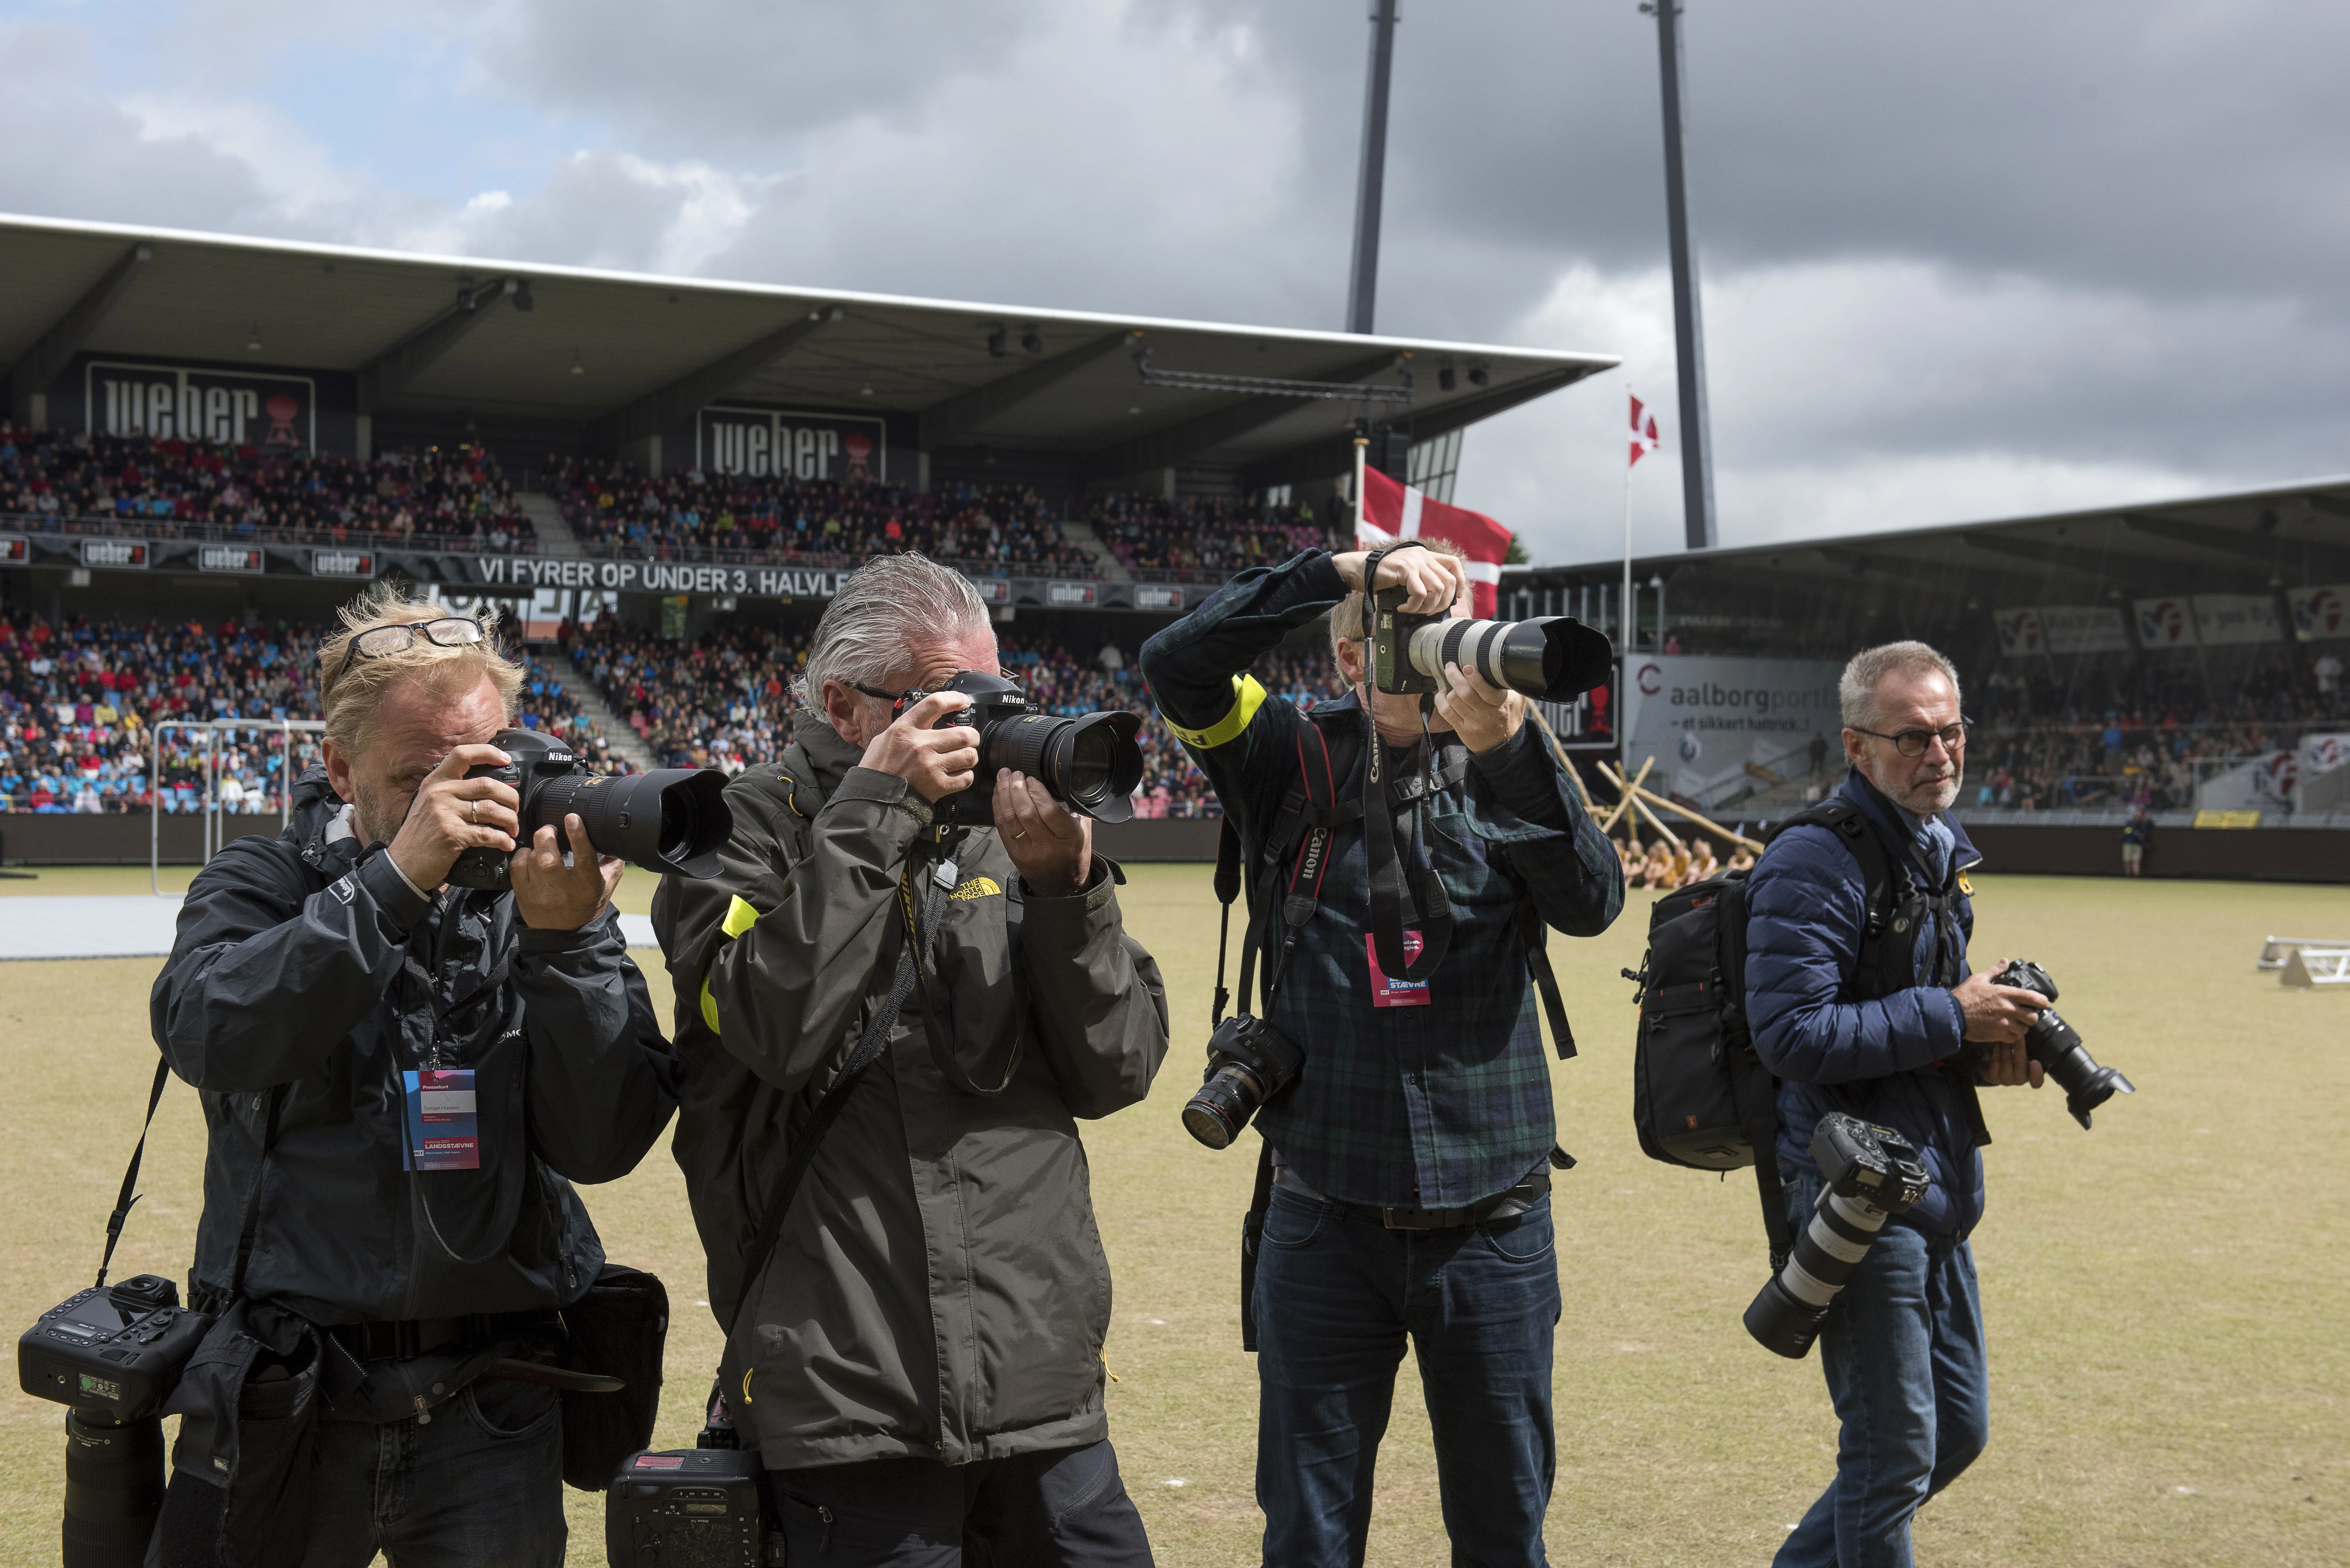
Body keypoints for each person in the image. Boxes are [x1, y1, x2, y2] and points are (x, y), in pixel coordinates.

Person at [655, 553, 1168, 1567]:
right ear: (845, 706)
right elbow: (772, 1021)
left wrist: (1067, 888)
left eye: (997, 696)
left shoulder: (1005, 837)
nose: (982, 730)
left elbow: (1118, 1066)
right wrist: (878, 810)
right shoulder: (734, 828)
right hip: (851, 1400)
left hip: (1041, 1389)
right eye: (951, 699)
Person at [148, 586, 677, 1566]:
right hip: (294, 1389)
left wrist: (572, 944)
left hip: (493, 1398)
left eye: (479, 760)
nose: (462, 797)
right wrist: (395, 882)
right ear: (340, 767)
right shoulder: (265, 884)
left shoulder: (539, 903)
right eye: (420, 773)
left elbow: (605, 1143)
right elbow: (207, 1031)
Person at [1139, 540, 1622, 1568]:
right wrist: (1345, 568)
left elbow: (1591, 902)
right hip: (1324, 1216)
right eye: (1410, 629)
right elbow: (1174, 661)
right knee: (1308, 1537)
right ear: (1353, 660)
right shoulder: (1283, 754)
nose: (1442, 650)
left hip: (1493, 1219)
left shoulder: (1504, 752)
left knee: (1504, 1532)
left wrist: (1508, 749)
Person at [1743, 641, 2049, 1568]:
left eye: (1949, 730)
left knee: (1955, 1424)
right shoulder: (1813, 857)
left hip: (1931, 1180)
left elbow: (1911, 1023)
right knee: (1892, 1450)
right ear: (1855, 745)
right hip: (1854, 1190)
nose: (1938, 752)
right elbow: (1790, 1034)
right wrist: (1951, 1013)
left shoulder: (1932, 846)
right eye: (1911, 735)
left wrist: (1983, 1046)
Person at [2121, 806, 2153, 877]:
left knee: (2136, 861)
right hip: (2129, 843)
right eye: (2137, 814)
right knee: (2127, 861)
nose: (2139, 816)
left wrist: (2147, 817)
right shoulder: (2130, 823)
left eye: (2140, 814)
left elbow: (2151, 825)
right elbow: (2126, 832)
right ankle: (2128, 876)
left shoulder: (2144, 824)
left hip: (2138, 844)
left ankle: (2136, 876)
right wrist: (2134, 834)